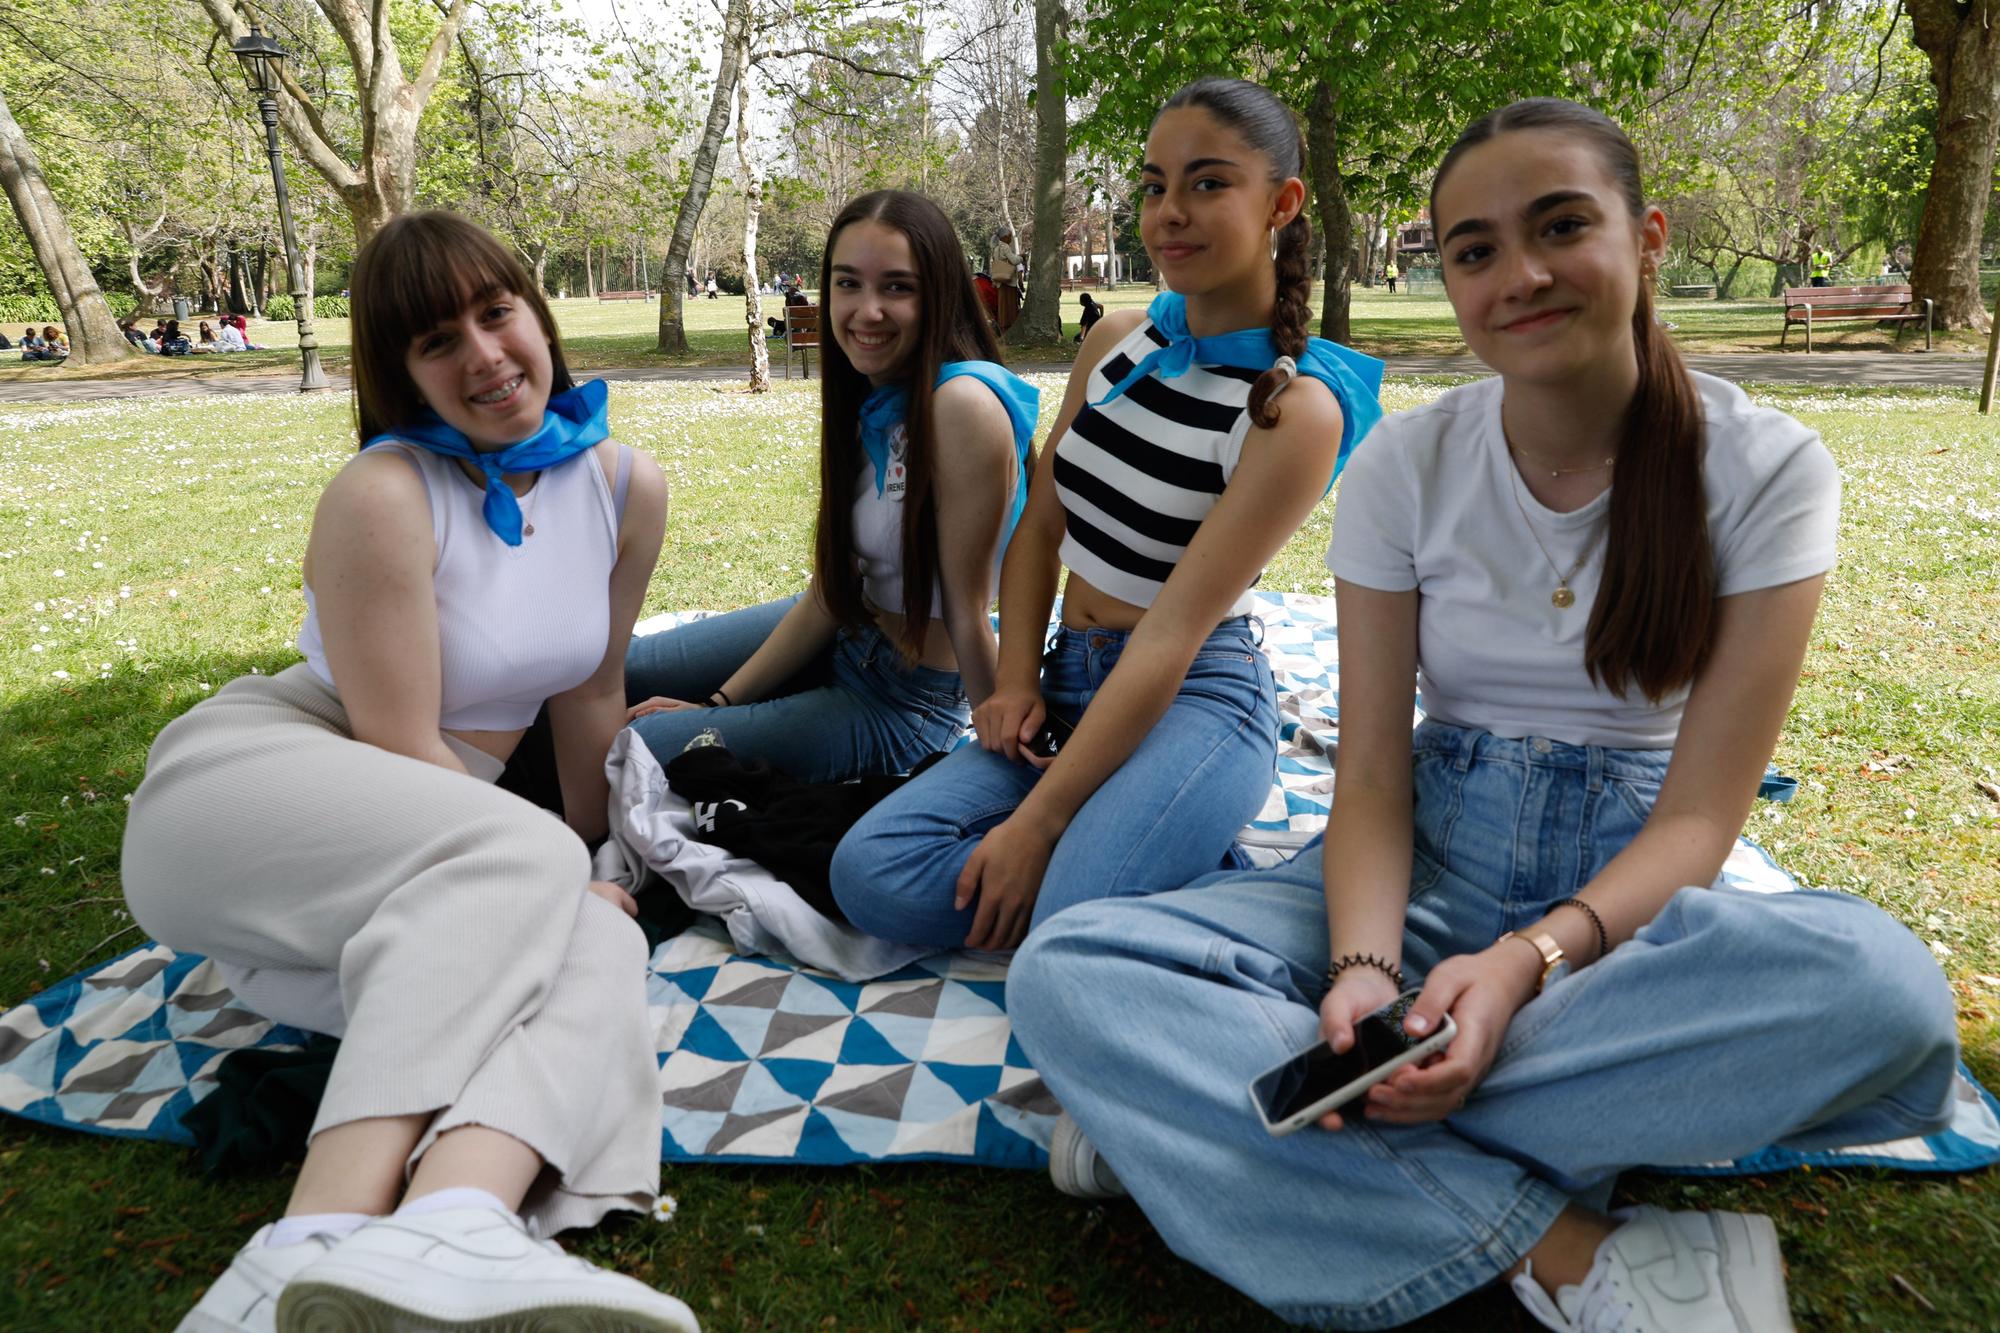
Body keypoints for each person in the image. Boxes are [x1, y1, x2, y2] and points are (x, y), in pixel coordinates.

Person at [1005, 97, 1960, 1333]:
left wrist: (1519, 969)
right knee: (1075, 972)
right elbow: (1368, 786)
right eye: (1472, 250)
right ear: (1446, 275)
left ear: (1646, 237)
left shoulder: (1766, 467)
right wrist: (1359, 974)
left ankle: (1211, 1136)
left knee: (1879, 990)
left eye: (1559, 225)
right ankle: (1571, 1249)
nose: (1518, 274)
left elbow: (1701, 820)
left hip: (1622, 903)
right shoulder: (1406, 463)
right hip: (1426, 854)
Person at [120, 211, 696, 1333]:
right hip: (262, 785)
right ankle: (297, 1246)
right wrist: (549, 869)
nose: (483, 355)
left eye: (496, 313)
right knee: (540, 876)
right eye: (438, 342)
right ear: (401, 375)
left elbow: (587, 689)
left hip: (428, 855)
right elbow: (399, 745)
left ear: (537, 312)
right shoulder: (382, 492)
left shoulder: (625, 486)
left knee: (604, 933)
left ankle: (459, 1220)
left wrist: (597, 856)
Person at [827, 78, 1383, 952]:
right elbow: (1040, 527)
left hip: (1197, 696)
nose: (1170, 211)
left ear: (1282, 203)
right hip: (1070, 681)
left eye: (1207, 183)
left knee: (1065, 916)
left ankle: (1167, 881)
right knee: (870, 874)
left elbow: (1170, 633)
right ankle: (1140, 870)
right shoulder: (1119, 337)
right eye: (1155, 185)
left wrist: (1039, 824)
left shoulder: (1294, 407)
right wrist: (1015, 680)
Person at [621, 189, 1039, 784]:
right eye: (848, 283)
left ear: (940, 295)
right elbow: (831, 591)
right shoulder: (872, 395)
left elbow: (970, 616)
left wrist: (1008, 780)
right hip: (846, 633)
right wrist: (718, 705)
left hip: (903, 703)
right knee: (624, 670)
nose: (865, 311)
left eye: (897, 286)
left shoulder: (962, 406)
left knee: (632, 746)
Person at [989, 225, 1022, 331]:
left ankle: (1003, 325)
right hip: (1009, 280)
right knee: (1011, 305)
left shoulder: (996, 248)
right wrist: (1022, 257)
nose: (1011, 238)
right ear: (1005, 237)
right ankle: (1011, 325)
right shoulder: (1005, 247)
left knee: (1002, 305)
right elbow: (1014, 261)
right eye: (1010, 236)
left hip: (1000, 280)